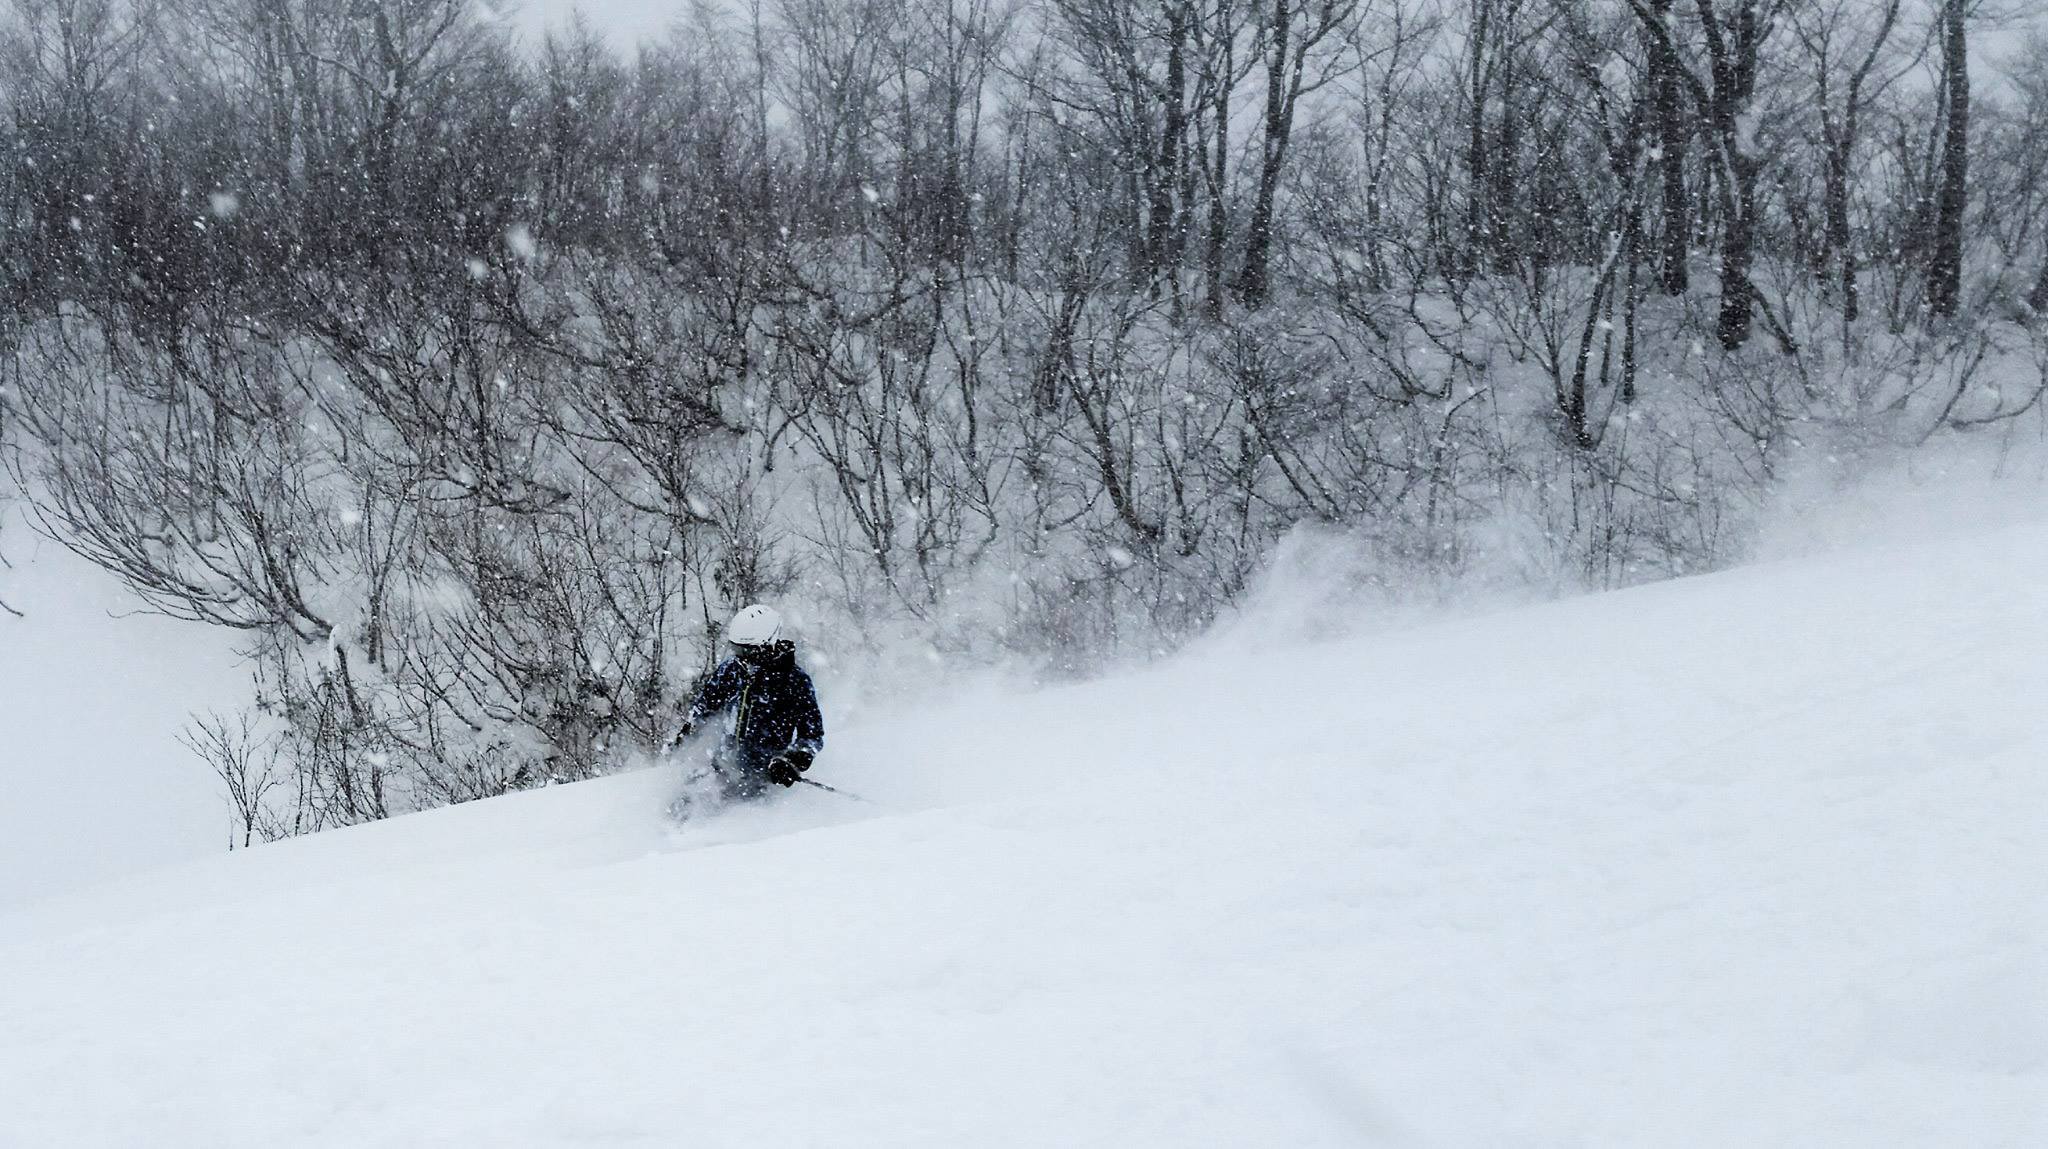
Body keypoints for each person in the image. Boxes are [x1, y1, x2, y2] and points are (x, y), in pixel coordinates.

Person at [669, 604, 824, 800]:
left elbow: (811, 735)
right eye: (736, 649)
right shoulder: (732, 670)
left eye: (746, 651)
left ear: (767, 645)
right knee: (684, 804)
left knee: (729, 823)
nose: (740, 657)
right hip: (722, 766)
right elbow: (707, 704)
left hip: (762, 777)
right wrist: (689, 731)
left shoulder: (794, 682)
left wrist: (791, 761)